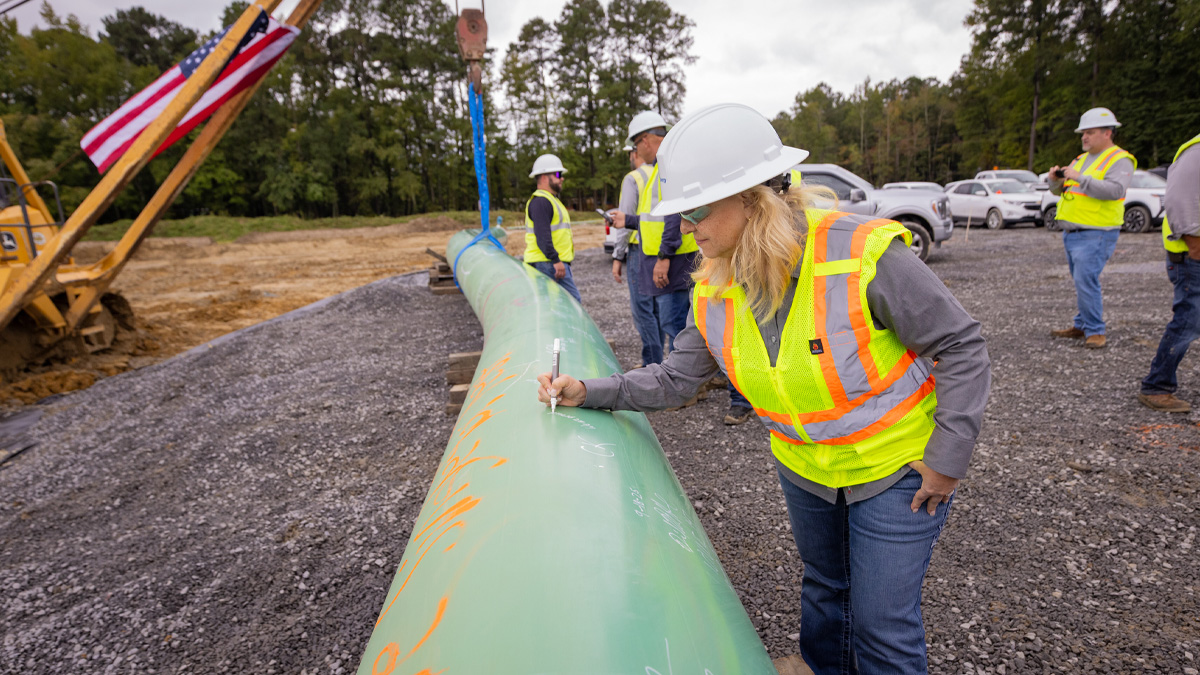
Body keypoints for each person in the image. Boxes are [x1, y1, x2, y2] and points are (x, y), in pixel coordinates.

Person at [537, 103, 991, 673]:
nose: (684, 227)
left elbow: (962, 345)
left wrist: (949, 458)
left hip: (894, 470)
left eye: (697, 209)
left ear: (754, 198)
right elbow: (676, 378)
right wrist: (587, 390)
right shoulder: (715, 284)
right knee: (824, 589)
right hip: (806, 470)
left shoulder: (862, 254)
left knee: (882, 625)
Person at [611, 111, 755, 423]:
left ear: (648, 140)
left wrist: (663, 256)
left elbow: (672, 221)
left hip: (678, 258)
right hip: (685, 255)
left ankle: (737, 398)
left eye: (638, 144)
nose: (637, 152)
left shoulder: (671, 169)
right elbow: (660, 217)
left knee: (697, 325)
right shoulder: (658, 172)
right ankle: (723, 386)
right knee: (702, 328)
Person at [1047, 107, 1136, 349]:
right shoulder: (1081, 159)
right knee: (1081, 280)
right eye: (1083, 133)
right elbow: (1062, 190)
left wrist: (1079, 177)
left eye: (1090, 132)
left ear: (1108, 133)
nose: (1084, 137)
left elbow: (1115, 190)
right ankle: (1082, 324)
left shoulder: (1120, 160)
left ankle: (1095, 331)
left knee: (1086, 279)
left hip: (1097, 232)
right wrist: (1053, 181)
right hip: (1073, 232)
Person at [1138, 132, 1200, 412]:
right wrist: (1195, 248)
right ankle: (1157, 386)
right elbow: (1178, 201)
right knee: (1189, 319)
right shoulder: (1196, 151)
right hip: (1192, 255)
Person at [610, 144, 657, 363]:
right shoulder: (660, 173)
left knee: (643, 311)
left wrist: (618, 256)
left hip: (639, 250)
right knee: (659, 312)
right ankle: (662, 364)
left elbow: (623, 221)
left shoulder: (633, 178)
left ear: (634, 153)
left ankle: (652, 365)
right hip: (660, 248)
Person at [524, 153, 580, 302]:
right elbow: (542, 236)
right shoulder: (541, 202)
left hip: (550, 263)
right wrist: (555, 260)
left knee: (564, 305)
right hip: (547, 264)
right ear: (543, 177)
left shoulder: (550, 200)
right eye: (557, 174)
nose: (561, 178)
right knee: (571, 304)